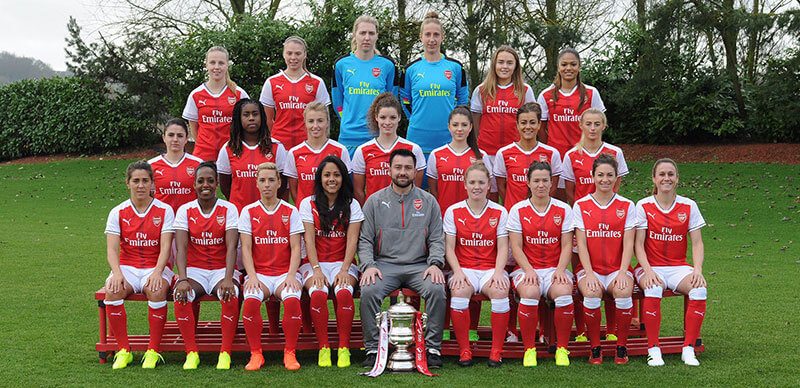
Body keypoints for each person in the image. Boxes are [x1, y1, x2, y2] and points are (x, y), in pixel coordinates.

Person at [358, 148, 447, 368]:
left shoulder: (428, 201)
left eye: (408, 168)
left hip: (419, 266)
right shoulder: (374, 201)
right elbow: (365, 240)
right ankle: (372, 347)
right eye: (398, 167)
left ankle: (432, 347)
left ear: (415, 171)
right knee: (368, 290)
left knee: (437, 289)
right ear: (389, 169)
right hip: (384, 266)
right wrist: (368, 265)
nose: (402, 172)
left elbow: (437, 238)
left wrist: (435, 263)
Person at [561, 108, 628, 341]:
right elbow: (570, 191)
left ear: (603, 126)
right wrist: (586, 212)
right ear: (580, 125)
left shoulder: (615, 152)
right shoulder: (571, 155)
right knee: (584, 276)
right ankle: (581, 330)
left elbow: (616, 185)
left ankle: (610, 330)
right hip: (582, 221)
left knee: (610, 271)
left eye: (597, 124)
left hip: (609, 224)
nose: (592, 128)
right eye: (588, 123)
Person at [634, 159, 708, 367]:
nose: (666, 178)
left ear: (677, 179)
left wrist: (697, 269)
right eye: (662, 174)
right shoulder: (643, 205)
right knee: (653, 287)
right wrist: (647, 271)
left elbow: (697, 242)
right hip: (649, 266)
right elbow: (638, 245)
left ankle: (688, 349)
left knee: (699, 289)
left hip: (677, 267)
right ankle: (653, 349)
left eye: (670, 174)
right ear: (654, 179)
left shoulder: (689, 205)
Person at [103, 161, 174, 369]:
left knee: (157, 288)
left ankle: (153, 351)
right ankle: (124, 350)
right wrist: (116, 274)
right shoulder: (118, 211)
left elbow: (166, 247)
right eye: (136, 181)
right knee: (113, 290)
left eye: (145, 181)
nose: (140, 185)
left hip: (156, 266)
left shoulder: (165, 210)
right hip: (127, 266)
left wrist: (158, 272)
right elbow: (112, 250)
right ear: (127, 183)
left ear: (152, 183)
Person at [171, 161, 240, 370]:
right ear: (194, 184)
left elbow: (232, 247)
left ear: (217, 183)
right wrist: (182, 279)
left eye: (210, 180)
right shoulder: (185, 210)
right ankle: (191, 352)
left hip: (222, 269)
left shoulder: (229, 209)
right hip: (196, 271)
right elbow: (181, 249)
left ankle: (225, 352)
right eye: (200, 181)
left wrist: (228, 279)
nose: (205, 185)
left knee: (231, 294)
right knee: (181, 296)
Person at [507, 162, 575, 367]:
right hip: (527, 268)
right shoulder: (518, 210)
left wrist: (561, 270)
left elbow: (566, 245)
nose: (541, 185)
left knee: (563, 291)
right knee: (529, 292)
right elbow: (516, 247)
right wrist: (528, 270)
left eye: (545, 180)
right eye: (536, 180)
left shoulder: (563, 209)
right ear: (528, 183)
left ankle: (562, 348)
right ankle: (529, 349)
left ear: (552, 182)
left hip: (555, 267)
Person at [298, 156, 363, 368]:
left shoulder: (352, 204)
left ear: (344, 178)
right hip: (314, 262)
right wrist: (316, 270)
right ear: (320, 178)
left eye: (336, 175)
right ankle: (324, 347)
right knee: (317, 293)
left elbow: (352, 240)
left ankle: (343, 348)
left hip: (342, 261)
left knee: (344, 292)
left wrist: (344, 270)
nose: (331, 179)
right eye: (327, 175)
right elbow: (309, 240)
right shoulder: (307, 204)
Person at [239, 163, 305, 371]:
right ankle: (256, 353)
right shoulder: (248, 212)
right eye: (262, 180)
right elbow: (246, 249)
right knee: (250, 300)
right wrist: (251, 276)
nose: (266, 184)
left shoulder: (290, 211)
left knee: (293, 299)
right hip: (260, 274)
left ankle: (290, 352)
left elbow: (295, 248)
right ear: (256, 183)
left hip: (285, 273)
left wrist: (292, 275)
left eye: (271, 180)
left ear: (279, 183)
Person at [573, 154, 637, 365]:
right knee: (591, 292)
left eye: (610, 175)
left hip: (617, 268)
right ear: (592, 176)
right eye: (600, 175)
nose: (605, 179)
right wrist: (589, 273)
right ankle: (595, 348)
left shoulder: (627, 205)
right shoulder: (581, 205)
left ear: (617, 177)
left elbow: (629, 243)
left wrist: (622, 272)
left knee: (623, 290)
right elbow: (581, 244)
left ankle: (621, 346)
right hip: (590, 268)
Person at [443, 162, 509, 367]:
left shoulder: (499, 211)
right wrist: (458, 272)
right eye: (472, 182)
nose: (476, 186)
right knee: (459, 291)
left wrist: (499, 272)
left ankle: (496, 351)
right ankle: (464, 350)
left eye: (481, 182)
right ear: (465, 184)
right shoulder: (454, 211)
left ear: (489, 185)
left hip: (491, 269)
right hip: (465, 268)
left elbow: (503, 247)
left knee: (499, 292)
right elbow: (449, 248)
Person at [470, 45, 536, 199]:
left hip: (515, 152)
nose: (504, 67)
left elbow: (531, 121)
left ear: (516, 66)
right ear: (494, 65)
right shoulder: (481, 90)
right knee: (489, 194)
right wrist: (477, 149)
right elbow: (475, 122)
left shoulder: (525, 90)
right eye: (500, 62)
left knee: (516, 194)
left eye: (509, 63)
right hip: (487, 151)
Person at [400, 11, 469, 154]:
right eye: (428, 34)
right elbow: (404, 99)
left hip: (449, 139)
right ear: (421, 37)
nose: (432, 39)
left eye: (436, 35)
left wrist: (455, 123)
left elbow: (462, 101)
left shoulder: (456, 67)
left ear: (442, 37)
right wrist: (414, 118)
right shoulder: (410, 69)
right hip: (418, 138)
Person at [332, 15, 399, 155]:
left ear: (377, 36)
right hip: (349, 137)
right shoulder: (341, 65)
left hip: (378, 136)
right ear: (355, 35)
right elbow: (337, 101)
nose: (367, 38)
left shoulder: (387, 65)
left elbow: (392, 101)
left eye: (371, 33)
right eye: (362, 33)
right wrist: (347, 119)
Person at [352, 92, 426, 205]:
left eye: (392, 117)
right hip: (375, 214)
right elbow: (358, 191)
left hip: (404, 214)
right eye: (383, 117)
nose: (387, 122)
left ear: (399, 118)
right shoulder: (362, 151)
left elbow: (416, 190)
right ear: (376, 117)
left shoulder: (413, 149)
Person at [260, 36, 331, 151]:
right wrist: (269, 142)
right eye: (289, 53)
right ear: (284, 54)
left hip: (308, 144)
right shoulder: (271, 82)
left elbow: (325, 118)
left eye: (298, 53)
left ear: (305, 54)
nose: (293, 58)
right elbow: (267, 119)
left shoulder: (317, 82)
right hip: (279, 145)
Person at [217, 99, 287, 211]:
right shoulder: (228, 148)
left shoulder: (276, 147)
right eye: (246, 114)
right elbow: (225, 186)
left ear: (262, 117)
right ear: (238, 118)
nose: (251, 118)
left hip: (269, 211)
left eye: (255, 114)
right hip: (238, 214)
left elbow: (282, 184)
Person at [183, 46, 250, 162]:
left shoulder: (239, 94)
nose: (216, 67)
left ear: (227, 65)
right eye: (212, 62)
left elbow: (247, 125)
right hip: (203, 156)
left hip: (232, 154)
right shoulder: (196, 95)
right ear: (206, 65)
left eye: (221, 63)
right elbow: (193, 128)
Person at [536, 47, 605, 160]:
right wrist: (549, 149)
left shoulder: (591, 93)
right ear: (558, 67)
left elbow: (600, 124)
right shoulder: (546, 95)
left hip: (584, 153)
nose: (568, 68)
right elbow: (541, 128)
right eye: (564, 64)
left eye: (573, 64)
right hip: (556, 156)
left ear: (579, 67)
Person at [494, 103, 562, 210]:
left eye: (532, 122)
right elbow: (501, 188)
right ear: (517, 125)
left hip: (541, 212)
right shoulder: (503, 153)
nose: (528, 127)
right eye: (523, 123)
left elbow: (553, 188)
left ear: (539, 124)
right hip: (513, 216)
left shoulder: (552, 153)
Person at [427, 106, 492, 215]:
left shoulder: (481, 156)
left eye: (464, 125)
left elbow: (488, 189)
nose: (459, 129)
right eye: (455, 125)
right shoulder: (436, 154)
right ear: (449, 127)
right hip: (444, 216)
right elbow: (433, 190)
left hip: (473, 217)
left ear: (471, 127)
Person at [284, 102, 351, 205]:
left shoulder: (340, 150)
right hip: (305, 215)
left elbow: (346, 185)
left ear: (327, 122)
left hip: (333, 212)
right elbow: (294, 190)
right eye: (311, 121)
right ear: (305, 123)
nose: (315, 126)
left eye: (320, 121)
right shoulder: (294, 153)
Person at [148, 119, 204, 212]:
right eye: (171, 135)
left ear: (186, 139)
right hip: (162, 221)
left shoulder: (198, 164)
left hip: (190, 220)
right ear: (164, 138)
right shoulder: (151, 165)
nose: (175, 139)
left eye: (180, 136)